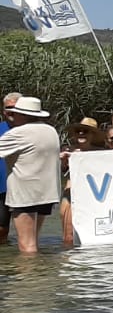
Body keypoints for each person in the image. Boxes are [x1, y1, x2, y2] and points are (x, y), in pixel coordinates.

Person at [0, 97, 62, 254]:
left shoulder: (17, 134)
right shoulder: (51, 130)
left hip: (25, 194)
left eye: (16, 114)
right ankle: (40, 275)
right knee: (34, 240)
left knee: (26, 246)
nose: (13, 117)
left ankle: (30, 277)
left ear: (24, 115)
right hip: (48, 193)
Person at [60, 116, 113, 246]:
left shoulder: (102, 153)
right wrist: (62, 160)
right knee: (68, 236)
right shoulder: (68, 151)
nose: (81, 133)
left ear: (93, 135)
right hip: (70, 196)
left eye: (85, 131)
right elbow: (60, 170)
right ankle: (70, 263)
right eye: (78, 130)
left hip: (94, 197)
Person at [0, 91, 16, 244]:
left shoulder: (32, 130)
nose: (10, 111)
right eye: (7, 108)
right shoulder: (0, 129)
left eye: (14, 107)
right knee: (2, 229)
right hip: (1, 188)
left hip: (24, 188)